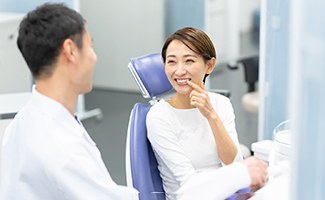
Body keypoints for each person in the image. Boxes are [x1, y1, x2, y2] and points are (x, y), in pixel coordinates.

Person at [0, 3, 137, 199]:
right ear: (70, 51)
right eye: (91, 46)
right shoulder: (64, 150)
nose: (94, 56)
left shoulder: (21, 122)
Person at [146, 27, 267, 200]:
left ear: (209, 65)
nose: (179, 71)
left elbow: (232, 163)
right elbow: (189, 185)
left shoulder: (220, 104)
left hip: (228, 193)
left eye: (189, 61)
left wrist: (211, 115)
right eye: (171, 62)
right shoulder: (159, 116)